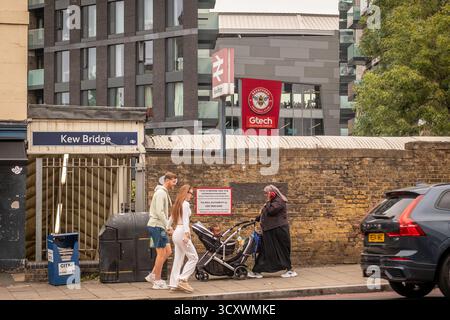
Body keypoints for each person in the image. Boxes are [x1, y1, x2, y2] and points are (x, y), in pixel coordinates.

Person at [248, 185, 298, 279]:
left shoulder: (279, 201)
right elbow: (265, 213)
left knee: (282, 250)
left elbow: (271, 211)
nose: (265, 194)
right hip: (270, 230)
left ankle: (290, 270)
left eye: (267, 193)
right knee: (266, 250)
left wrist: (267, 202)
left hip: (278, 230)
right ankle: (257, 270)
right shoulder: (272, 202)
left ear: (272, 193)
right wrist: (256, 219)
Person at [145, 172, 177, 289]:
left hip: (160, 226)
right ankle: (157, 281)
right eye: (174, 181)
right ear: (167, 180)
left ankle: (153, 275)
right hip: (157, 226)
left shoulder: (163, 193)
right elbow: (159, 212)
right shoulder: (160, 193)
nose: (175, 184)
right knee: (161, 253)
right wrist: (168, 226)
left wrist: (167, 226)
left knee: (168, 251)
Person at [168, 184, 199, 293]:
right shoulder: (185, 204)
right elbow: (185, 220)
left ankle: (174, 284)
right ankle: (182, 279)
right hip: (182, 233)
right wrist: (187, 234)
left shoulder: (177, 204)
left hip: (176, 232)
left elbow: (170, 219)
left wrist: (169, 229)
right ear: (185, 193)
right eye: (190, 193)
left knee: (178, 260)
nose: (191, 195)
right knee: (194, 257)